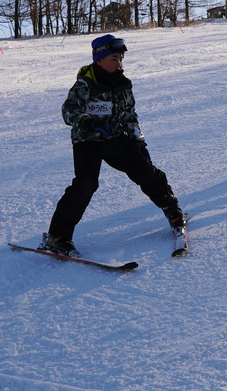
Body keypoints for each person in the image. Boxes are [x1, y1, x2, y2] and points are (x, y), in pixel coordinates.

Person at [41, 34, 186, 256]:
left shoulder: (123, 84)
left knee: (145, 171)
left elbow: (130, 115)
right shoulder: (85, 84)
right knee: (85, 185)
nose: (119, 63)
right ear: (99, 60)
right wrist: (86, 121)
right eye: (113, 59)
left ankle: (172, 210)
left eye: (120, 58)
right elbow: (68, 111)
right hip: (88, 140)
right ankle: (58, 236)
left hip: (115, 137)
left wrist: (139, 140)